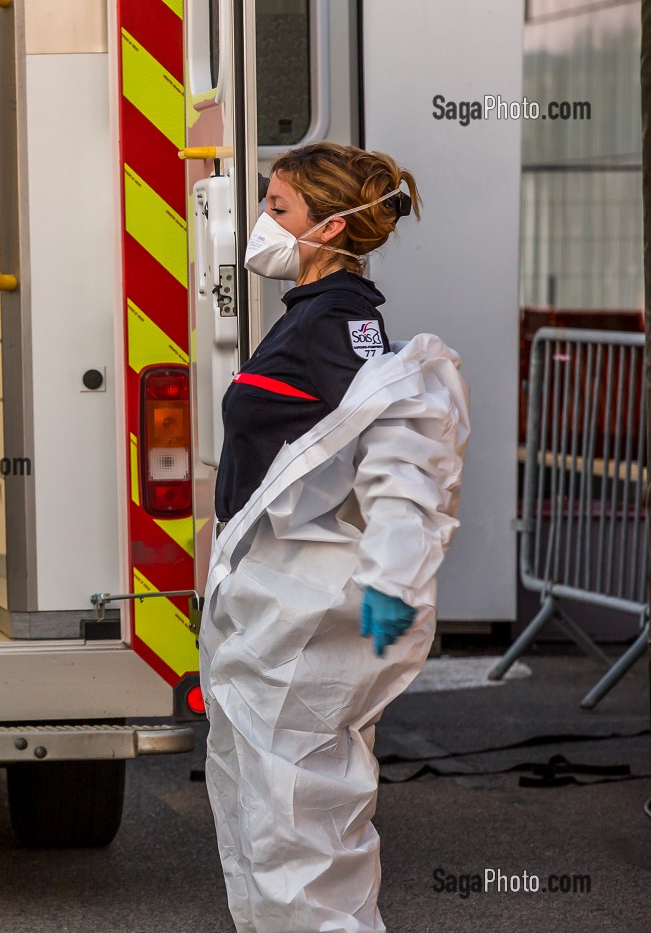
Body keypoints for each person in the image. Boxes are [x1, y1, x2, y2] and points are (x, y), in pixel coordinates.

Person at [200, 142, 470, 932]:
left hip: (303, 624)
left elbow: (403, 457)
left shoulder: (336, 329)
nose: (261, 226)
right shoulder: (312, 321)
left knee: (299, 838)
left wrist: (393, 579)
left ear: (333, 227)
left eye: (279, 210)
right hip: (273, 616)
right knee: (267, 829)